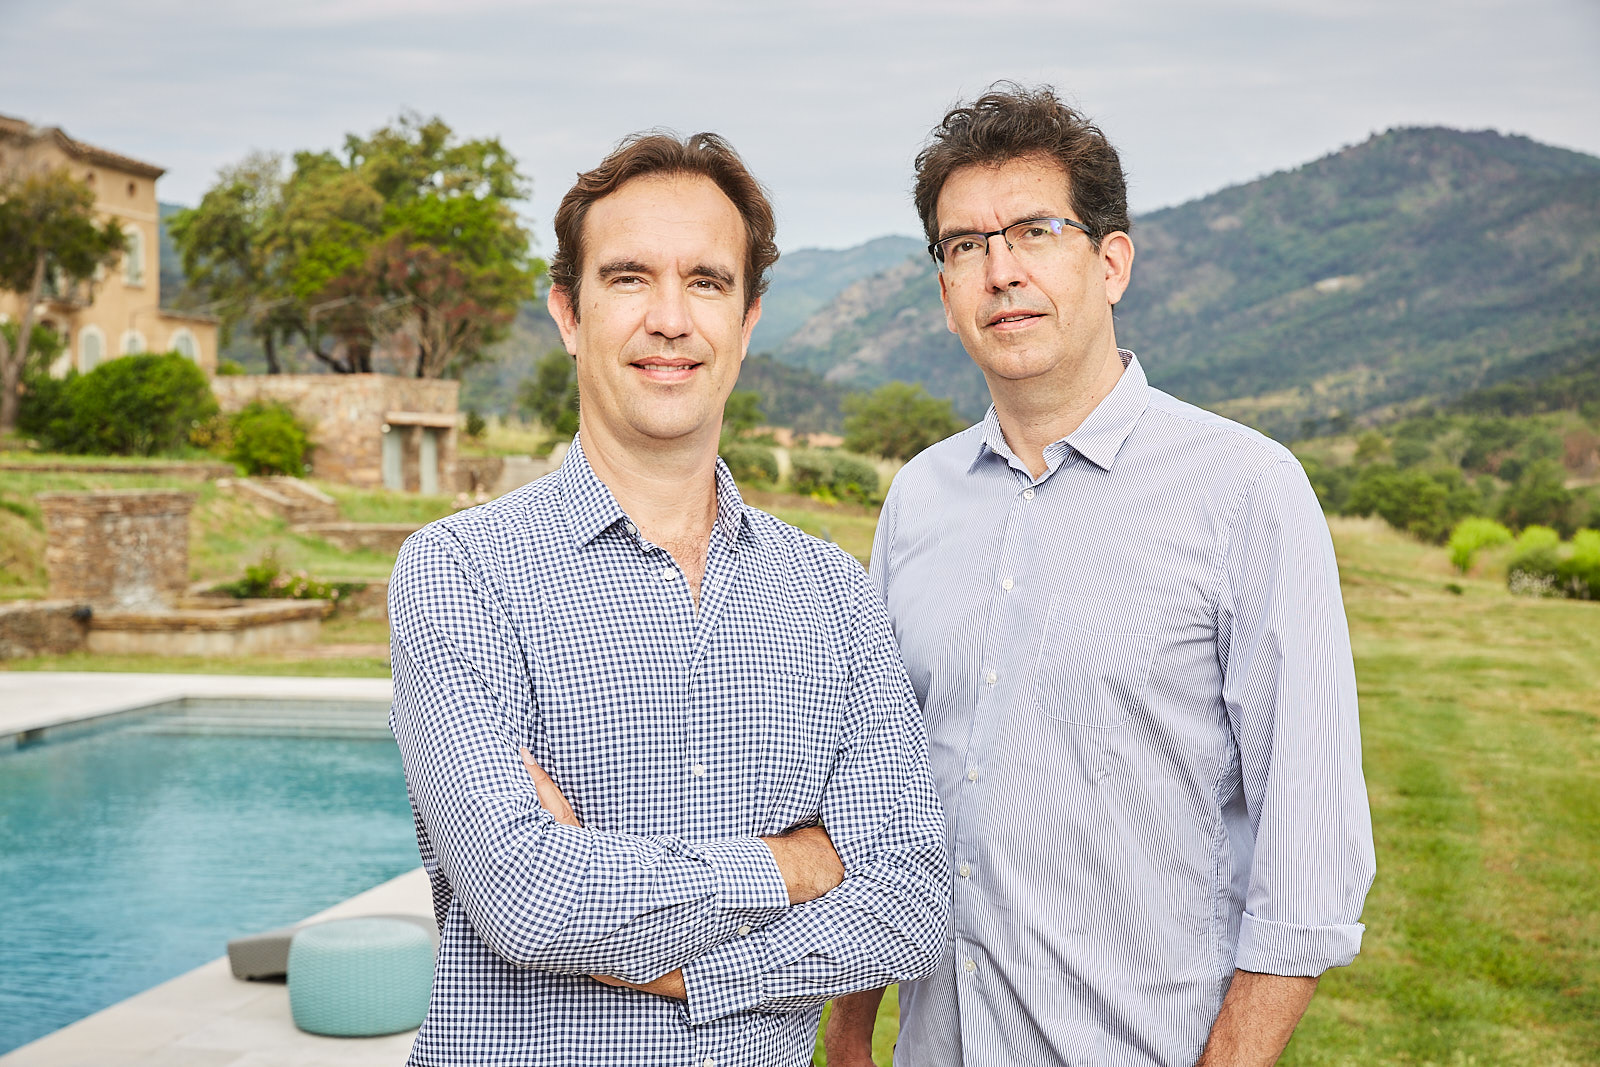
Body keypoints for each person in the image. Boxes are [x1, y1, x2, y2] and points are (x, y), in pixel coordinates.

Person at [825, 85, 1376, 1066]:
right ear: (943, 289)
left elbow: (1311, 860)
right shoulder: (918, 499)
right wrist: (853, 1035)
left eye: (1035, 231)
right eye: (964, 245)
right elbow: (882, 798)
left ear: (1110, 260)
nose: (1000, 271)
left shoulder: (1246, 491)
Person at [387, 131, 949, 1067]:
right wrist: (798, 861)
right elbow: (524, 893)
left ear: (748, 319)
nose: (670, 319)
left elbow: (914, 901)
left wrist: (685, 967)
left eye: (706, 281)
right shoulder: (458, 575)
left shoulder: (832, 594)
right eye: (628, 278)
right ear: (567, 313)